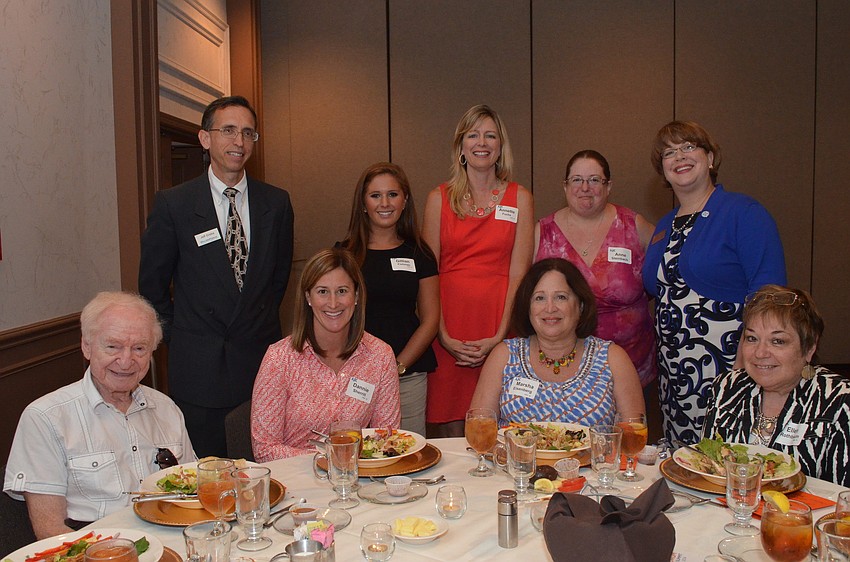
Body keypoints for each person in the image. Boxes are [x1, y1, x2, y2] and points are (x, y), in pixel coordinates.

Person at [139, 95, 294, 457]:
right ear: (205, 139)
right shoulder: (174, 204)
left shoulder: (277, 203)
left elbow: (277, 282)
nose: (238, 141)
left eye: (248, 133)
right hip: (199, 372)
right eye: (227, 130)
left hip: (259, 365)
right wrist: (186, 337)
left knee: (261, 475)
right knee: (207, 481)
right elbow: (152, 288)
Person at [3, 292, 195, 539]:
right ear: (87, 346)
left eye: (139, 348)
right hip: (94, 549)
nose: (126, 361)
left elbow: (193, 493)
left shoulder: (166, 409)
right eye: (113, 346)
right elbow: (50, 531)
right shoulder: (45, 418)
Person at [642, 120, 786, 444]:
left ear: (710, 158)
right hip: (676, 376)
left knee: (729, 465)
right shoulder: (664, 226)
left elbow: (769, 295)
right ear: (662, 169)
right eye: (669, 152)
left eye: (689, 147)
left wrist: (747, 362)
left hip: (730, 369)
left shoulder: (744, 212)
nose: (679, 156)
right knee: (685, 467)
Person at [422, 104, 534, 437]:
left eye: (490, 135)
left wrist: (501, 334)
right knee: (453, 426)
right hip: (449, 330)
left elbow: (519, 274)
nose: (481, 142)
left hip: (501, 324)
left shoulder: (521, 198)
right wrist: (441, 334)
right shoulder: (437, 199)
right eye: (473, 135)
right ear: (461, 146)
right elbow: (428, 276)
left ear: (501, 147)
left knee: (502, 422)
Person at [251, 248, 401, 461]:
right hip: (297, 485)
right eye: (322, 291)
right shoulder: (280, 359)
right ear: (308, 297)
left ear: (356, 296)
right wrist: (332, 456)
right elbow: (264, 450)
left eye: (342, 291)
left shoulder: (380, 356)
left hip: (359, 483)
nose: (333, 303)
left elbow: (388, 440)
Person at [534, 150, 657, 393]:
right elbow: (526, 293)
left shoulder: (634, 226)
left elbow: (665, 276)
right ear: (565, 186)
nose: (585, 187)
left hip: (633, 363)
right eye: (577, 179)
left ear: (608, 186)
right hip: (565, 367)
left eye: (594, 180)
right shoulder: (542, 233)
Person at [702, 285, 850, 487]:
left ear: (809, 348)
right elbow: (708, 470)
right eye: (752, 338)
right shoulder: (727, 388)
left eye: (777, 341)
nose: (760, 352)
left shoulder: (839, 401)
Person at [470, 258, 644, 426]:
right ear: (527, 307)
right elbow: (479, 429)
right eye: (539, 298)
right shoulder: (504, 355)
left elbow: (633, 438)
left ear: (580, 305)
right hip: (516, 457)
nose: (550, 308)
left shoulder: (613, 358)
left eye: (561, 297)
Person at [339, 162, 439, 436]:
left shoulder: (420, 253)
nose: (385, 203)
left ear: (405, 200)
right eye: (375, 195)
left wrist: (396, 367)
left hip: (407, 375)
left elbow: (430, 320)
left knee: (405, 451)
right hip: (353, 375)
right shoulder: (344, 255)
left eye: (393, 194)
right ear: (363, 202)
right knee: (355, 453)